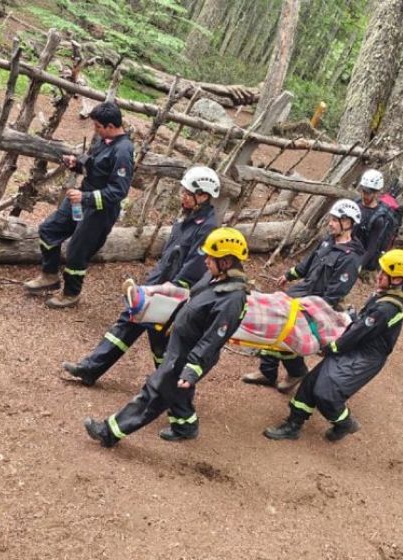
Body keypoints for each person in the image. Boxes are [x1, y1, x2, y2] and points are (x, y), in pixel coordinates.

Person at [83, 227, 251, 447]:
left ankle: (109, 432)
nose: (206, 260)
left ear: (227, 262)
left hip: (188, 355)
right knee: (177, 389)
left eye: (212, 257)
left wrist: (192, 368)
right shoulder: (214, 277)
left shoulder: (232, 299)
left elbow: (213, 339)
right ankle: (186, 425)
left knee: (155, 392)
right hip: (179, 346)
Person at [60, 166, 221, 386]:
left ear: (203, 196)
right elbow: (170, 256)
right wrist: (153, 283)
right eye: (182, 191)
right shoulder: (186, 217)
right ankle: (91, 369)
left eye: (187, 193)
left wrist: (168, 292)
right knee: (129, 321)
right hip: (159, 284)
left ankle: (171, 386)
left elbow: (194, 267)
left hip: (174, 293)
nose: (181, 196)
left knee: (160, 340)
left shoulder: (208, 228)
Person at [263, 249, 403, 442]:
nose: (379, 276)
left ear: (396, 280)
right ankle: (293, 424)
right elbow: (360, 325)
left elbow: (359, 332)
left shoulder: (387, 308)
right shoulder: (382, 297)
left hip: (364, 358)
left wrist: (332, 347)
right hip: (353, 348)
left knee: (326, 393)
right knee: (310, 382)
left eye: (384, 274)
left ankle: (344, 423)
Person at [241, 199, 363, 392]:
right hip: (302, 292)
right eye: (331, 218)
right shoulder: (328, 240)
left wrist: (310, 309)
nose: (330, 223)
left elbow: (334, 294)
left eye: (335, 220)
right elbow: (308, 264)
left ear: (348, 223)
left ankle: (296, 371)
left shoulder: (351, 258)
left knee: (288, 332)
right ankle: (267, 371)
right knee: (274, 318)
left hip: (317, 303)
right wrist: (290, 275)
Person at [23, 102, 135, 308]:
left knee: (77, 251)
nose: (95, 130)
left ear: (110, 126)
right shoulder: (105, 140)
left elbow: (118, 191)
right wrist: (77, 164)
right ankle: (49, 275)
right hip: (81, 198)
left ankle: (71, 293)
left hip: (100, 209)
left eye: (98, 126)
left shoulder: (123, 152)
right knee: (49, 230)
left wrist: (86, 198)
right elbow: (94, 166)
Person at [354, 169, 396, 282]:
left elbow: (372, 247)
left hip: (363, 261)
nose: (364, 195)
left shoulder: (378, 219)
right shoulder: (356, 204)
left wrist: (358, 265)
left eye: (368, 193)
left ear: (377, 193)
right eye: (363, 191)